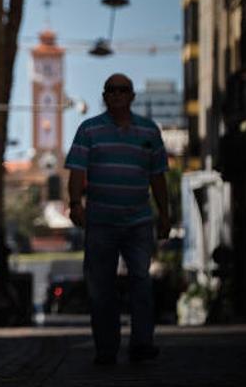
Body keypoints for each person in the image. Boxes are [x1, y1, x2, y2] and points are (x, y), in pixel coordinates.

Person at [65, 73, 169, 366]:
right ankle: (106, 348)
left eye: (123, 90)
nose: (117, 95)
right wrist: (75, 204)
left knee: (141, 282)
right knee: (100, 287)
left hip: (138, 221)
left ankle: (142, 343)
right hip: (100, 222)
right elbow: (76, 171)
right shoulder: (89, 130)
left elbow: (158, 177)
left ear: (132, 96)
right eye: (111, 90)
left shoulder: (149, 132)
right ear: (104, 96)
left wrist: (165, 215)